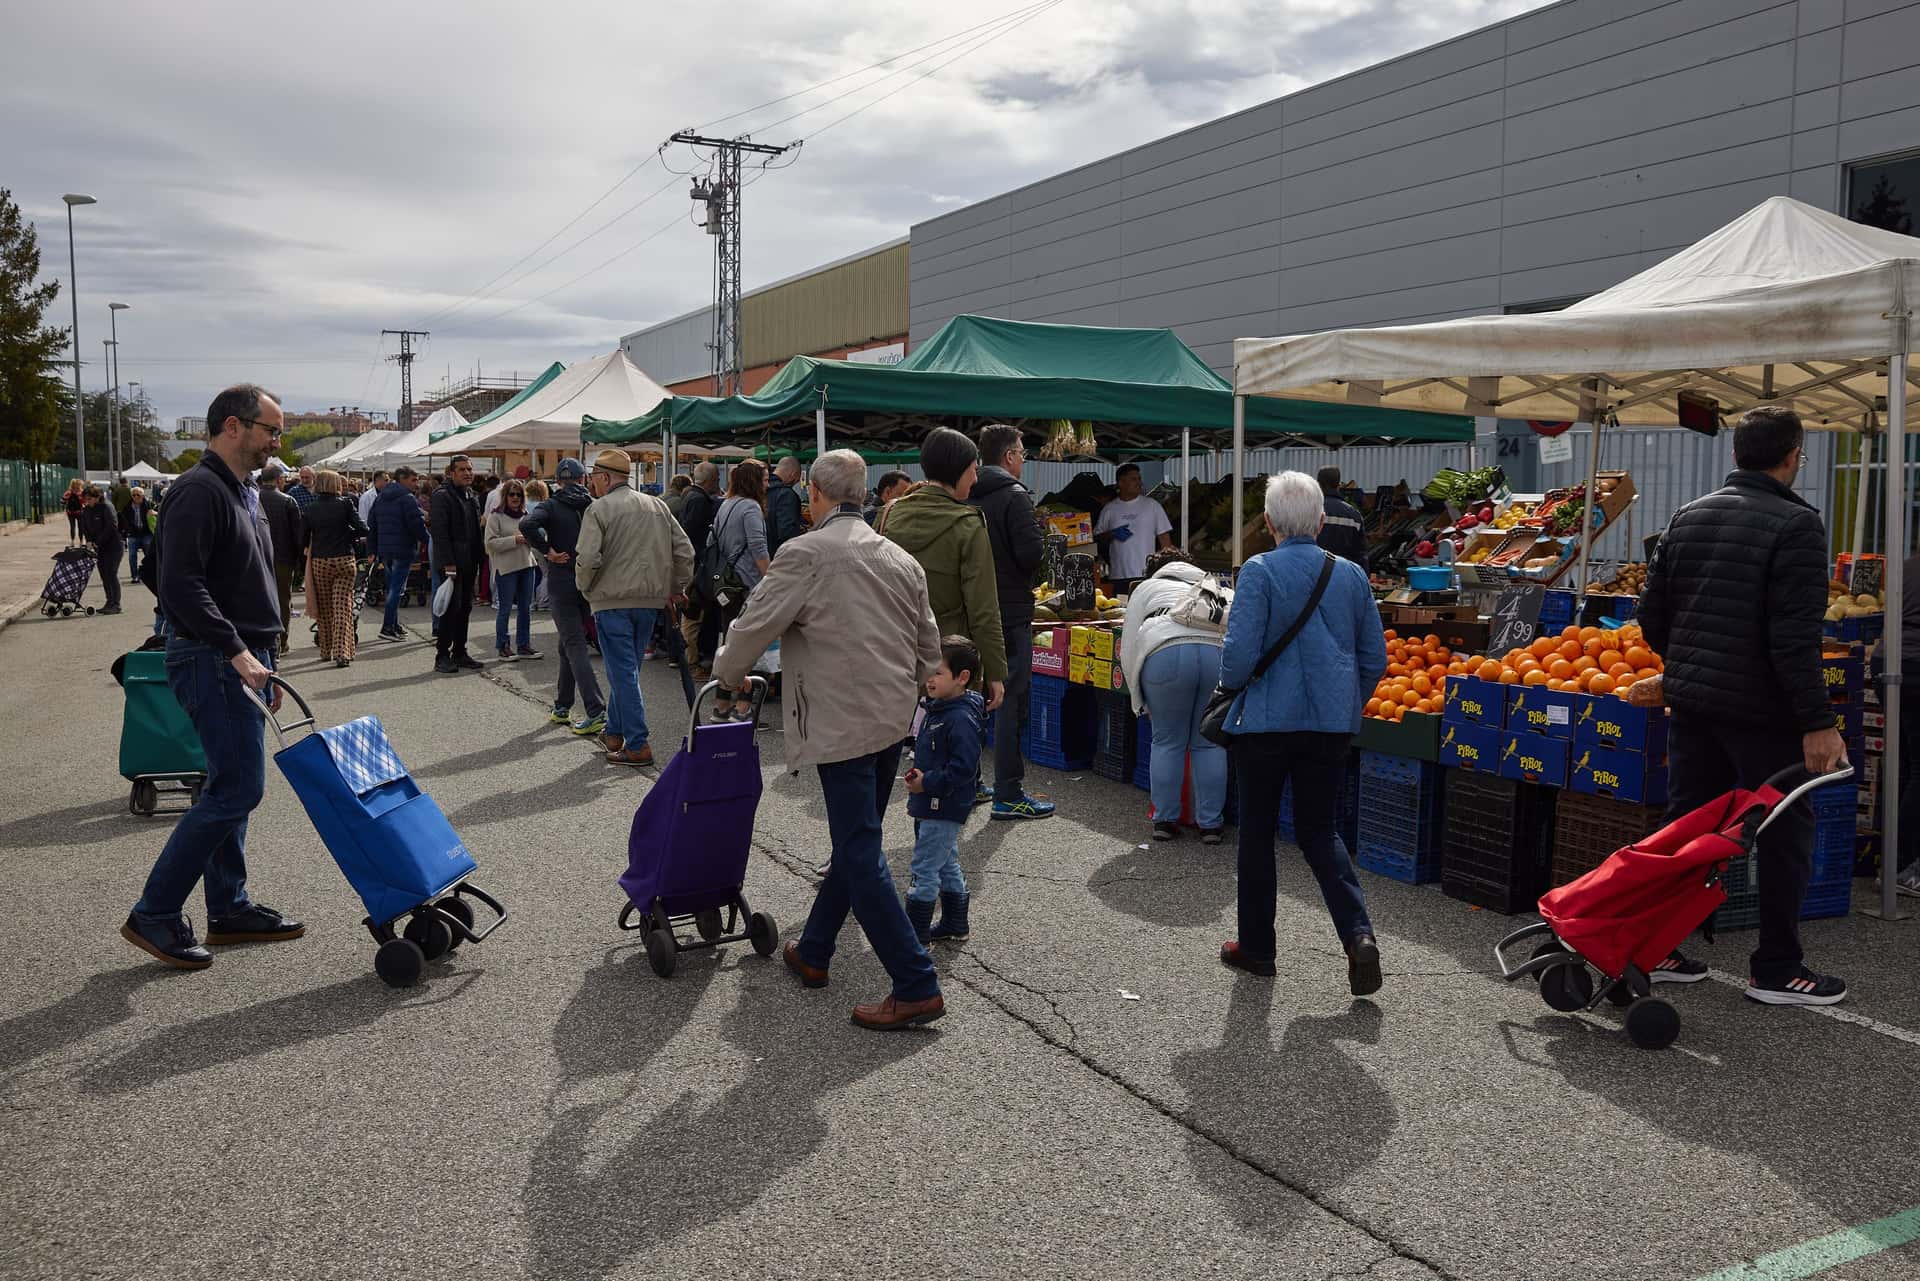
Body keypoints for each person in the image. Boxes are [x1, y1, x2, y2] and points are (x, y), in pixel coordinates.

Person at [714, 448, 946, 1030]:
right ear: (862, 494)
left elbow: (753, 624)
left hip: (842, 719)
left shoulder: (805, 553)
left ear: (815, 495)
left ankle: (915, 982)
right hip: (891, 715)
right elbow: (929, 647)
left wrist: (727, 669)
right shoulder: (899, 557)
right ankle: (814, 948)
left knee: (860, 850)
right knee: (857, 840)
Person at [1637, 406, 1853, 1005]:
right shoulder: (1797, 525)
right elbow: (1794, 639)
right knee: (1784, 833)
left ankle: (1659, 945)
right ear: (1792, 457)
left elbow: (1650, 615)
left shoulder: (1688, 515)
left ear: (1736, 455)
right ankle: (1777, 968)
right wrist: (1817, 722)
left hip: (1695, 704)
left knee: (1687, 824)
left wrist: (1687, 665)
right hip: (1762, 714)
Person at [121, 382, 301, 970]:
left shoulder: (242, 489)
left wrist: (257, 649)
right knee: (236, 789)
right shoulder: (199, 490)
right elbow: (176, 581)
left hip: (240, 653)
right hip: (217, 658)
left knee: (231, 784)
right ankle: (155, 913)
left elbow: (159, 570)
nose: (277, 440)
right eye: (271, 429)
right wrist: (232, 648)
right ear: (233, 425)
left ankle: (229, 907)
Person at [1217, 471, 1386, 998]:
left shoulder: (1259, 572)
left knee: (1258, 835)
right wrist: (1345, 703)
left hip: (1265, 725)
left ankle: (1258, 950)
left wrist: (1229, 686)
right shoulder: (1352, 575)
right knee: (1320, 831)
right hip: (1329, 727)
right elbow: (1374, 658)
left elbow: (1240, 656)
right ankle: (1358, 935)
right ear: (1318, 520)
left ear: (1267, 523)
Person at [574, 447, 695, 767]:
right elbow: (685, 551)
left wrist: (585, 588)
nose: (592, 484)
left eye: (594, 479)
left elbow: (587, 558)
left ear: (603, 478)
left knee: (623, 673)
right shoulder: (656, 505)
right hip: (649, 601)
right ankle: (614, 733)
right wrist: (675, 588)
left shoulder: (599, 509)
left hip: (611, 601)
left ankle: (638, 743)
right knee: (627, 671)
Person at [881, 427, 1006, 715]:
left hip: (892, 652)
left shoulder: (889, 513)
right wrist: (995, 671)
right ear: (959, 471)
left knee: (891, 748)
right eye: (973, 470)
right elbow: (983, 609)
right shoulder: (968, 524)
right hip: (948, 663)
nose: (975, 478)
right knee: (953, 748)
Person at [970, 424, 1052, 821]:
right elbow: (1030, 554)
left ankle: (968, 781)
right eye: (1021, 452)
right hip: (1011, 610)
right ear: (1008, 457)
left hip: (973, 609)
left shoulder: (965, 493)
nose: (1023, 459)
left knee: (971, 695)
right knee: (1010, 700)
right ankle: (1008, 792)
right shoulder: (1014, 496)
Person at [1122, 548, 1228, 843]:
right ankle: (1211, 825)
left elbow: (1129, 644)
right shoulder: (1213, 586)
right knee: (1208, 743)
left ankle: (1165, 821)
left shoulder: (1147, 587)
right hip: (1214, 654)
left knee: (1167, 740)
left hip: (1164, 651)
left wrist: (1137, 698)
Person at [903, 634, 986, 945]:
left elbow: (964, 769)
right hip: (931, 800)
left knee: (924, 866)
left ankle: (915, 936)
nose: (929, 678)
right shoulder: (938, 708)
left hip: (943, 802)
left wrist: (928, 782)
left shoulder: (961, 717)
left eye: (937, 672)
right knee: (946, 860)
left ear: (962, 678)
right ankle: (955, 922)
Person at [522, 458, 607, 737]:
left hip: (562, 578)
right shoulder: (592, 505)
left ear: (558, 481)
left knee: (573, 643)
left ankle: (595, 710)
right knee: (567, 644)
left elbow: (527, 524)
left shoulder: (551, 505)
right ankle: (562, 705)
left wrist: (547, 550)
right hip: (588, 578)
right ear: (583, 479)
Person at [702, 460, 773, 721]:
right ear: (754, 481)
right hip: (747, 586)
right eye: (764, 479)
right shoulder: (751, 508)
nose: (767, 484)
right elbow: (759, 549)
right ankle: (743, 709)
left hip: (725, 585)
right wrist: (773, 580)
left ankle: (721, 706)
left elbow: (712, 542)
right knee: (752, 649)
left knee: (730, 646)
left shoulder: (726, 505)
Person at [301, 468, 367, 667]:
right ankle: (342, 653)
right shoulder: (345, 504)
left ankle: (325, 650)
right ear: (336, 484)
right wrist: (348, 534)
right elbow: (363, 528)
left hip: (320, 561)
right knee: (342, 607)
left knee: (325, 608)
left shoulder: (310, 508)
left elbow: (303, 538)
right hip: (345, 559)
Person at [428, 454, 484, 674]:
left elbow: (475, 531)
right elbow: (440, 532)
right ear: (451, 473)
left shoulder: (471, 495)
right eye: (462, 469)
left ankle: (460, 652)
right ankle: (442, 654)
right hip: (453, 562)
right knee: (452, 609)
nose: (467, 473)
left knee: (465, 608)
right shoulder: (442, 495)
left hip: (470, 560)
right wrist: (448, 563)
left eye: (469, 469)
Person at [367, 465, 428, 641]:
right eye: (413, 480)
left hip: (386, 550)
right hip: (402, 549)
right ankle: (387, 627)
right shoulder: (407, 498)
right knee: (396, 589)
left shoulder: (380, 498)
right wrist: (430, 542)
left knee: (393, 588)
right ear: (402, 479)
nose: (416, 484)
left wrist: (372, 549)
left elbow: (372, 525)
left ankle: (393, 624)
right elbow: (416, 525)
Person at [1094, 463, 1174, 594]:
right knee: (1121, 611)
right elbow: (1097, 539)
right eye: (1133, 479)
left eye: (1139, 479)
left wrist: (1167, 571)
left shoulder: (1152, 506)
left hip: (1146, 575)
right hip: (1118, 576)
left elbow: (1165, 541)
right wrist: (1111, 534)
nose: (1139, 483)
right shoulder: (1109, 509)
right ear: (1121, 482)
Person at [486, 478, 541, 661]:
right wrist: (513, 540)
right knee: (505, 609)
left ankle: (524, 645)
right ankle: (503, 646)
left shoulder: (527, 516)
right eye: (512, 494)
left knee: (526, 608)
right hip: (506, 568)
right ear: (505, 496)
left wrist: (534, 538)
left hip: (527, 565)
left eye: (519, 494)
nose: (515, 497)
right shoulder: (496, 516)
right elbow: (490, 544)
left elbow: (538, 539)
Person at [678, 461, 720, 668]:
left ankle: (689, 657)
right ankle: (691, 659)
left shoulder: (689, 496)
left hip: (691, 561)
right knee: (694, 612)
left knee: (691, 611)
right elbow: (692, 532)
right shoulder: (699, 500)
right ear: (712, 480)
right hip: (697, 562)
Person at [258, 462, 303, 654]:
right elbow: (297, 535)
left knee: (259, 599)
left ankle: (262, 639)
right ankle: (282, 641)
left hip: (256, 557)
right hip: (283, 558)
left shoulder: (251, 498)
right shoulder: (288, 501)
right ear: (278, 480)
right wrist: (300, 562)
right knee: (283, 600)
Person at [78, 486, 125, 614]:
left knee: (111, 573)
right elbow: (85, 526)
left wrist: (97, 542)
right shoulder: (87, 510)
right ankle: (109, 601)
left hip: (113, 546)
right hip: (99, 548)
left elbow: (111, 526)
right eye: (85, 499)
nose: (87, 502)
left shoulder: (106, 507)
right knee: (104, 575)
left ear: (97, 497)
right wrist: (88, 541)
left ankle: (116, 604)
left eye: (90, 499)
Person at [1315, 465, 1368, 566]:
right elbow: (1361, 554)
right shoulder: (1354, 515)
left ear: (1318, 484)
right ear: (1338, 485)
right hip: (1343, 574)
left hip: (1313, 572)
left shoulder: (1309, 511)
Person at [765, 455, 806, 556]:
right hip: (779, 556)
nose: (794, 484)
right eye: (796, 481)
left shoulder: (758, 488)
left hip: (757, 557)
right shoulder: (786, 494)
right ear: (792, 474)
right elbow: (787, 532)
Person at [120, 486, 156, 582]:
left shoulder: (149, 505)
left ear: (142, 495)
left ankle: (151, 574)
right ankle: (135, 576)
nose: (136, 497)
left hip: (146, 534)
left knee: (149, 555)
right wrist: (127, 530)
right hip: (133, 535)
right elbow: (123, 519)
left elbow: (160, 512)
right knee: (132, 556)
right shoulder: (127, 507)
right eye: (134, 495)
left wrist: (154, 513)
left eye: (138, 495)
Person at [65, 479, 84, 544]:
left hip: (70, 512)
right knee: (80, 527)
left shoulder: (68, 492)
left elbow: (62, 501)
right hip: (79, 512)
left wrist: (66, 506)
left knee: (72, 526)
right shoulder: (81, 493)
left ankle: (72, 541)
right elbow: (84, 502)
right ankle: (81, 541)